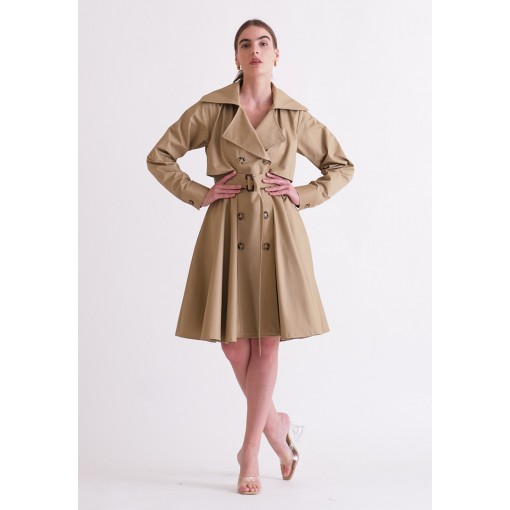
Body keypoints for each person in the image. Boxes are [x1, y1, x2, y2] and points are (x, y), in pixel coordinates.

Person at [146, 19, 354, 495]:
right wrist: (199, 192)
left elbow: (342, 166)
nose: (255, 50)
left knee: (267, 342)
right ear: (236, 56)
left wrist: (302, 193)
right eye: (246, 44)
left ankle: (250, 452)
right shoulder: (212, 109)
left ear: (277, 55)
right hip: (227, 227)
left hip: (277, 230)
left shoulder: (295, 116)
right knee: (234, 345)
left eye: (264, 43)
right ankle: (276, 425)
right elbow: (160, 156)